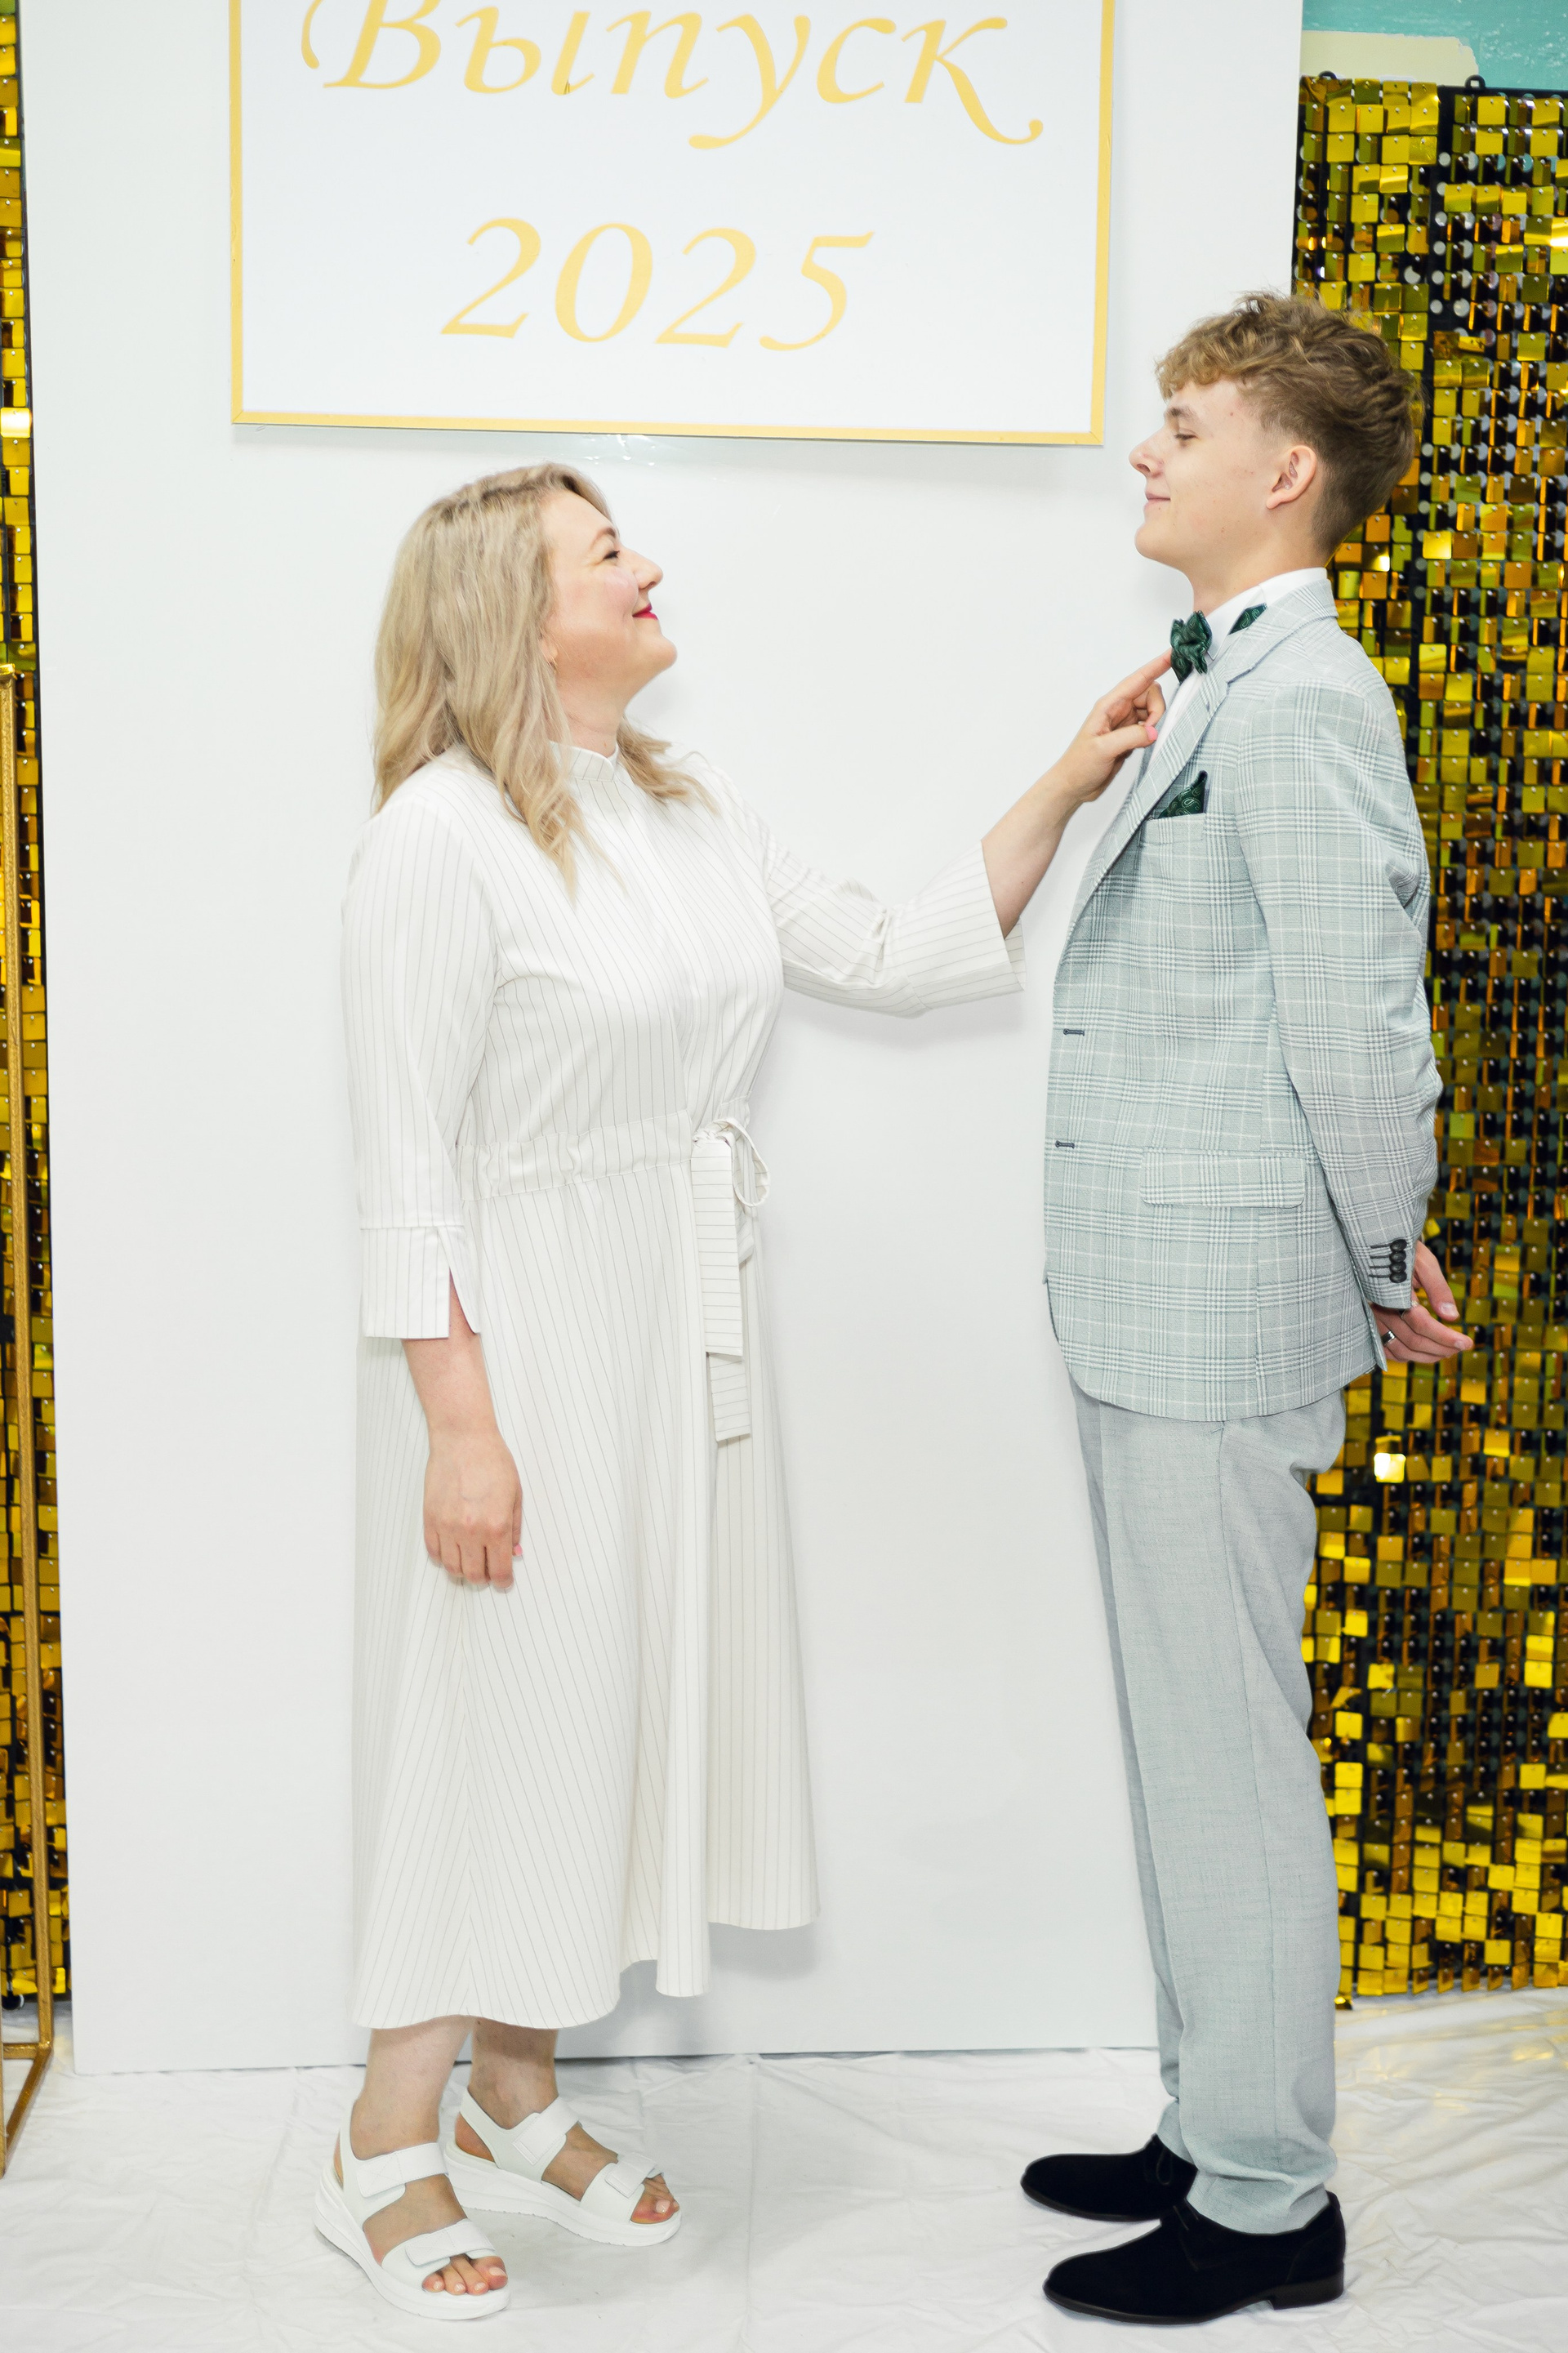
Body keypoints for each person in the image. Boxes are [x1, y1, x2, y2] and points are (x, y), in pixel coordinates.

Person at [321, 460, 1167, 2318]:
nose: (648, 566)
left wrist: (1069, 771)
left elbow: (891, 950)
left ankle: (517, 2091)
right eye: (605, 552)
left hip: (677, 1329)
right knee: (493, 1717)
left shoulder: (683, 807)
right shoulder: (436, 839)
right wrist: (460, 1424)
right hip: (520, 1344)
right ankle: (383, 2131)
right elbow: (404, 1168)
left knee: (603, 1713)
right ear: (511, 614)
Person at [1024, 294, 1472, 2328]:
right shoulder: (1233, 675)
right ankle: (1216, 2119)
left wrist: (1389, 1250)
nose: (1150, 451)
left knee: (1227, 1754)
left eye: (1185, 425)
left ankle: (1272, 2201)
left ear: (1285, 473)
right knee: (1183, 1745)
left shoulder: (1308, 701)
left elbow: (1361, 1017)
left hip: (1222, 1302)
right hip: (1155, 1290)